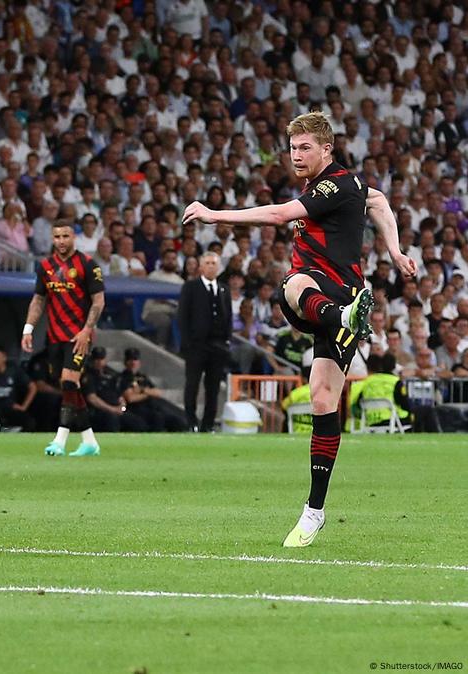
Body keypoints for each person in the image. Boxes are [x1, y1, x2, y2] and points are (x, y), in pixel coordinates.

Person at [183, 111, 417, 548]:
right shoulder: (346, 187)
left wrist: (215, 215)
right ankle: (315, 511)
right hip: (342, 304)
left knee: (295, 293)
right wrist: (397, 252)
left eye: (305, 147)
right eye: (293, 148)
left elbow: (278, 215)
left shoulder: (334, 184)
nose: (297, 155)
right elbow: (380, 202)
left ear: (326, 149)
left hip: (331, 290)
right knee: (318, 383)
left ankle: (315, 511)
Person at [20, 220, 105, 457]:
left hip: (79, 336)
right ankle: (89, 440)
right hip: (54, 337)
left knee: (69, 381)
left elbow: (98, 301)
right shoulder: (45, 266)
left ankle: (59, 440)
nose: (61, 241)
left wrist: (87, 330)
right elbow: (38, 300)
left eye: (65, 236)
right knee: (69, 387)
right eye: (57, 237)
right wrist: (28, 329)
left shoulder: (88, 265)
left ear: (73, 237)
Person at [178, 252, 232, 432]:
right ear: (201, 266)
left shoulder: (224, 289)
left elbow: (228, 317)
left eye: (214, 263)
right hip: (196, 346)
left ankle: (208, 424)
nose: (211, 266)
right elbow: (183, 317)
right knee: (192, 384)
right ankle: (191, 421)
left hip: (218, 346)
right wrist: (186, 344)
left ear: (218, 267)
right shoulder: (190, 287)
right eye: (207, 263)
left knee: (213, 388)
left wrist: (227, 341)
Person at [117, 348, 187, 432]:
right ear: (125, 362)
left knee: (177, 421)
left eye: (135, 359)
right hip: (136, 409)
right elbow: (130, 398)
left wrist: (141, 390)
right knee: (157, 418)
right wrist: (148, 393)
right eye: (130, 360)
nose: (133, 363)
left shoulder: (143, 377)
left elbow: (158, 393)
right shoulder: (123, 378)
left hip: (152, 407)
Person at [0, 347, 36, 430]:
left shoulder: (13, 370)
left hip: (11, 407)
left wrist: (23, 407)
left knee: (29, 421)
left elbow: (33, 387)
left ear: (4, 358)